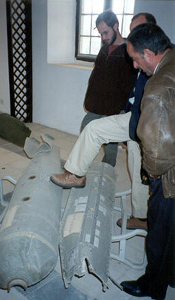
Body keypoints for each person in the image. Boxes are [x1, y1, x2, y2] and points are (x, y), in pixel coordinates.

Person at [51, 13, 156, 231]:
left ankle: (82, 176)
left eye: (106, 31)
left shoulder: (148, 58)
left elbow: (130, 88)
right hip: (132, 115)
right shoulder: (127, 52)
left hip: (142, 120)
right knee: (126, 154)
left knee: (125, 157)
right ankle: (141, 216)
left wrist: (120, 114)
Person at [121, 23, 175, 300]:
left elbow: (156, 146)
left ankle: (152, 285)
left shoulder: (156, 89)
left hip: (170, 177)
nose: (134, 65)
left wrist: (151, 175)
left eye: (135, 58)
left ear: (148, 53)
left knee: (159, 231)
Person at [80, 10, 137, 167]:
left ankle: (108, 167)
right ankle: (81, 166)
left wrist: (117, 111)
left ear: (116, 26)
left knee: (109, 139)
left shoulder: (128, 51)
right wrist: (89, 100)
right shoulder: (104, 48)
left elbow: (128, 85)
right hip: (97, 104)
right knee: (85, 129)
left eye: (106, 32)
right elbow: (96, 76)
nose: (104, 37)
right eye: (101, 33)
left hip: (114, 107)